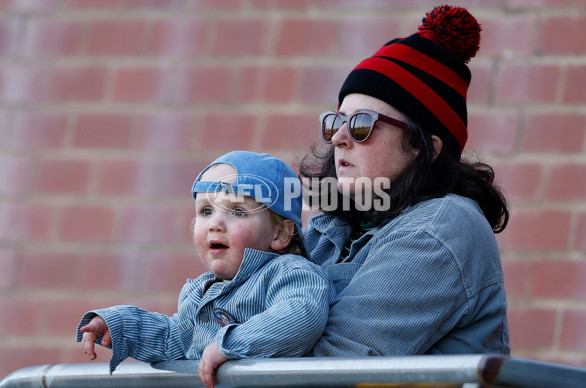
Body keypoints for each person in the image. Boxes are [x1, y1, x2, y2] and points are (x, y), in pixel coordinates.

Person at [299, 5, 510, 357]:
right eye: (336, 122)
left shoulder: (439, 230)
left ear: (424, 148)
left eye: (362, 124)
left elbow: (329, 366)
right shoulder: (329, 229)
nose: (338, 138)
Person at [76, 151, 334, 388]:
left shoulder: (291, 273)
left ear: (280, 232)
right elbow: (173, 339)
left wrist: (229, 345)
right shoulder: (200, 292)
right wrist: (118, 325)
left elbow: (301, 315)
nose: (215, 224)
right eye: (206, 211)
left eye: (238, 211)